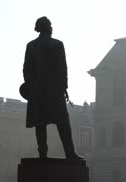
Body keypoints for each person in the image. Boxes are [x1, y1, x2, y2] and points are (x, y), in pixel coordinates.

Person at [23, 16, 83, 160]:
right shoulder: (57, 44)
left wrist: (31, 87)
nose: (51, 27)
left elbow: (26, 69)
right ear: (45, 27)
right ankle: (70, 153)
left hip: (37, 91)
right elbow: (63, 68)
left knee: (40, 123)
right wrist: (64, 88)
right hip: (54, 91)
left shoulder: (31, 46)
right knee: (63, 122)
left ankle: (42, 154)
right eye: (49, 25)